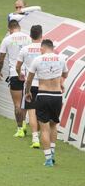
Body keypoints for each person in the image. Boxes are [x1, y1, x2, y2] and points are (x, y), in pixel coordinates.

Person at [25, 39, 68, 167]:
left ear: (43, 48)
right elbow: (65, 73)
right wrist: (60, 82)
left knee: (44, 128)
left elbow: (29, 79)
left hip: (43, 94)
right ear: (52, 48)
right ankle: (53, 153)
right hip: (56, 95)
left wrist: (28, 91)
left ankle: (48, 159)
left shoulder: (38, 60)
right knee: (54, 125)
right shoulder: (61, 59)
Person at [0, 19, 31, 137]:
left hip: (15, 74)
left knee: (17, 104)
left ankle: (20, 129)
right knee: (26, 100)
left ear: (9, 29)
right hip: (28, 75)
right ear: (19, 27)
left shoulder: (7, 39)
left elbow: (1, 58)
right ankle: (25, 122)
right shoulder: (28, 38)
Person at [16, 25, 43, 148]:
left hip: (30, 84)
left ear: (30, 36)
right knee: (41, 112)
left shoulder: (25, 49)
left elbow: (18, 65)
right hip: (44, 84)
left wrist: (19, 74)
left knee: (31, 112)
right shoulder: (45, 49)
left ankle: (35, 138)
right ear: (41, 35)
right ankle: (44, 136)